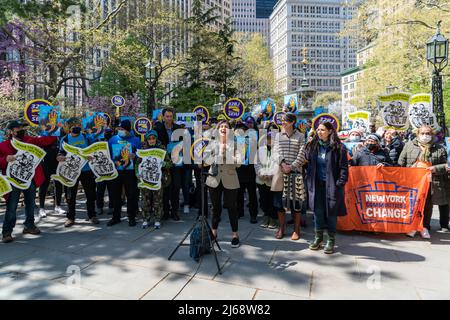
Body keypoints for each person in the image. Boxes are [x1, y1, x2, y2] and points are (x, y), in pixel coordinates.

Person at [0, 120, 57, 243]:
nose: (21, 130)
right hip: (12, 181)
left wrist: (54, 130)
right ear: (11, 131)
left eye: (22, 128)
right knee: (12, 206)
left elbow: (44, 140)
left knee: (30, 203)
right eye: (18, 128)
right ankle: (7, 232)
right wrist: (6, 159)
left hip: (29, 179)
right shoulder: (3, 145)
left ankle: (29, 226)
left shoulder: (30, 140)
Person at [398, 125, 450, 238]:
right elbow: (401, 162)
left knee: (427, 205)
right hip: (413, 181)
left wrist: (435, 169)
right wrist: (410, 169)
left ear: (432, 135)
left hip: (431, 181)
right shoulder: (409, 146)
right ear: (418, 134)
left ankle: (424, 226)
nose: (425, 136)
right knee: (413, 203)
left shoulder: (439, 148)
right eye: (423, 133)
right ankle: (412, 226)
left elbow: (446, 165)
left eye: (428, 133)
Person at [305, 122, 349, 254]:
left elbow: (343, 168)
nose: (319, 132)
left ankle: (330, 239)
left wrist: (340, 183)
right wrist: (308, 143)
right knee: (317, 212)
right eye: (318, 130)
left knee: (331, 212)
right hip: (316, 184)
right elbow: (307, 160)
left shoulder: (339, 147)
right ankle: (318, 238)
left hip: (332, 186)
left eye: (322, 130)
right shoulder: (313, 145)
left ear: (330, 131)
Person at [205, 120, 241, 248]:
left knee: (232, 207)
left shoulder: (235, 144)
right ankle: (214, 233)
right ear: (217, 129)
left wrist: (227, 152)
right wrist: (218, 153)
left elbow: (238, 163)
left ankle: (235, 235)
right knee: (215, 208)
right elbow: (206, 160)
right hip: (214, 180)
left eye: (226, 126)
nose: (223, 128)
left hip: (230, 179)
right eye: (221, 126)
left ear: (230, 130)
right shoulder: (212, 144)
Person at [57, 117, 99, 227]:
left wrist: (92, 156)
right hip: (72, 171)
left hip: (87, 170)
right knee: (71, 195)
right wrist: (60, 157)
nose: (76, 128)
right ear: (69, 128)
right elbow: (60, 153)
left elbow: (95, 150)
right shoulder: (65, 139)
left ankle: (92, 215)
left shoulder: (87, 137)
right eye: (74, 126)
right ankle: (70, 217)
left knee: (90, 194)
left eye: (78, 126)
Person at [271, 113, 306, 241]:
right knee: (279, 203)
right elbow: (275, 152)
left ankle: (296, 230)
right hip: (280, 172)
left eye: (285, 121)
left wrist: (291, 166)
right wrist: (283, 164)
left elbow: (302, 153)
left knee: (296, 203)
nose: (282, 123)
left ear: (292, 122)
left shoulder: (301, 136)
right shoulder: (278, 136)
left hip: (295, 173)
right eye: (282, 121)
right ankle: (282, 228)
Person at [107, 119, 142, 227]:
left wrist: (135, 156)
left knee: (131, 195)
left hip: (130, 172)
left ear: (127, 130)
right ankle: (116, 217)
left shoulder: (135, 140)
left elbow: (141, 156)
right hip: (116, 171)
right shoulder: (112, 139)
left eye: (122, 129)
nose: (120, 130)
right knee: (115, 195)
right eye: (119, 128)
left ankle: (131, 217)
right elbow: (108, 154)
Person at [136, 130, 171, 229]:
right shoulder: (143, 149)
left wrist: (165, 164)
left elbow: (169, 163)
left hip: (157, 179)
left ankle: (157, 219)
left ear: (156, 138)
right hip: (145, 179)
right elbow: (137, 164)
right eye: (149, 139)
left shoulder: (162, 149)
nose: (151, 140)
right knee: (145, 200)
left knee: (158, 200)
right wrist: (137, 173)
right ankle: (146, 219)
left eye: (153, 138)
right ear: (147, 139)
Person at [154, 108, 182, 221]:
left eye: (171, 116)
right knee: (165, 187)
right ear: (163, 116)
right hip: (163, 162)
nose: (169, 118)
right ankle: (165, 211)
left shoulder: (178, 129)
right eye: (167, 116)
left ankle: (174, 211)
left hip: (176, 162)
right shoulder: (157, 128)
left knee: (176, 187)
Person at [235, 122, 258, 223]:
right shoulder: (234, 142)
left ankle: (253, 215)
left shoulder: (252, 141)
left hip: (250, 170)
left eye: (242, 130)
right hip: (238, 170)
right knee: (238, 194)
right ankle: (239, 212)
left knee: (252, 194)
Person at [255, 132, 278, 229]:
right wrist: (261, 173)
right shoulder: (260, 150)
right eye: (268, 138)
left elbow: (278, 164)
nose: (269, 141)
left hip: (273, 179)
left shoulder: (278, 150)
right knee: (263, 199)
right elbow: (257, 163)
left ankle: (273, 218)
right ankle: (266, 216)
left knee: (272, 199)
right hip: (261, 179)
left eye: (271, 139)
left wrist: (271, 174)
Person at [96, 127, 114, 215]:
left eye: (109, 132)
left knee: (111, 190)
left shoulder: (113, 141)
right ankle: (99, 206)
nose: (107, 133)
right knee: (100, 189)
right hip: (100, 170)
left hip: (111, 169)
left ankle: (111, 206)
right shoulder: (97, 140)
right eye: (106, 132)